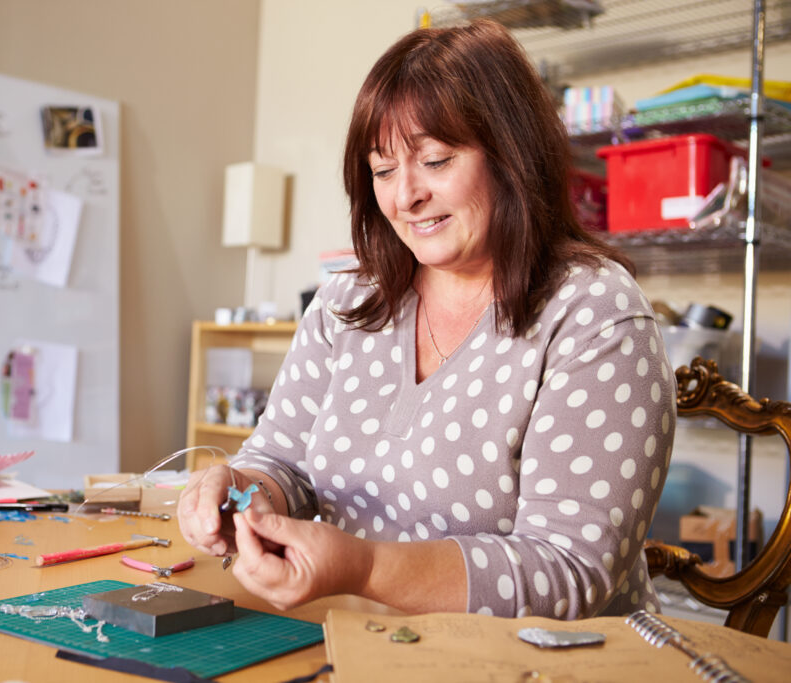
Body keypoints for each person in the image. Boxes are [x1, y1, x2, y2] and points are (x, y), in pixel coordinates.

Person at [179, 19, 675, 620]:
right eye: (383, 171)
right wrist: (237, 493)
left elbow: (569, 569)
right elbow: (283, 463)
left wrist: (364, 567)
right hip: (362, 640)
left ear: (511, 155)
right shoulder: (348, 300)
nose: (404, 196)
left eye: (435, 161)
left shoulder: (594, 314)